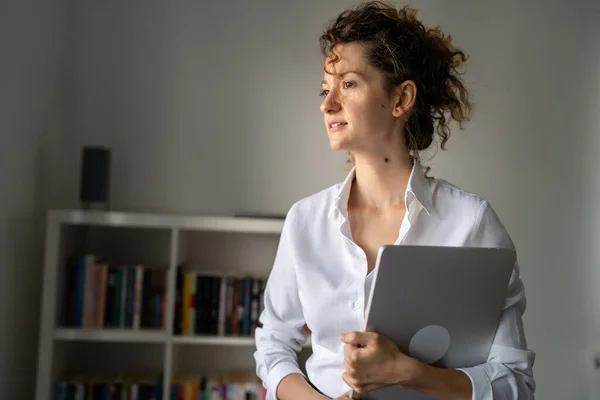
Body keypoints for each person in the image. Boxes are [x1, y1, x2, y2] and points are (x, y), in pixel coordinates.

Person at [253, 1, 536, 399]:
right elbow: (272, 344)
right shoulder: (305, 221)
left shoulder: (471, 223)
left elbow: (516, 384)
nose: (327, 103)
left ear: (401, 99)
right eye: (324, 88)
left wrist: (408, 373)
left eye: (348, 84)